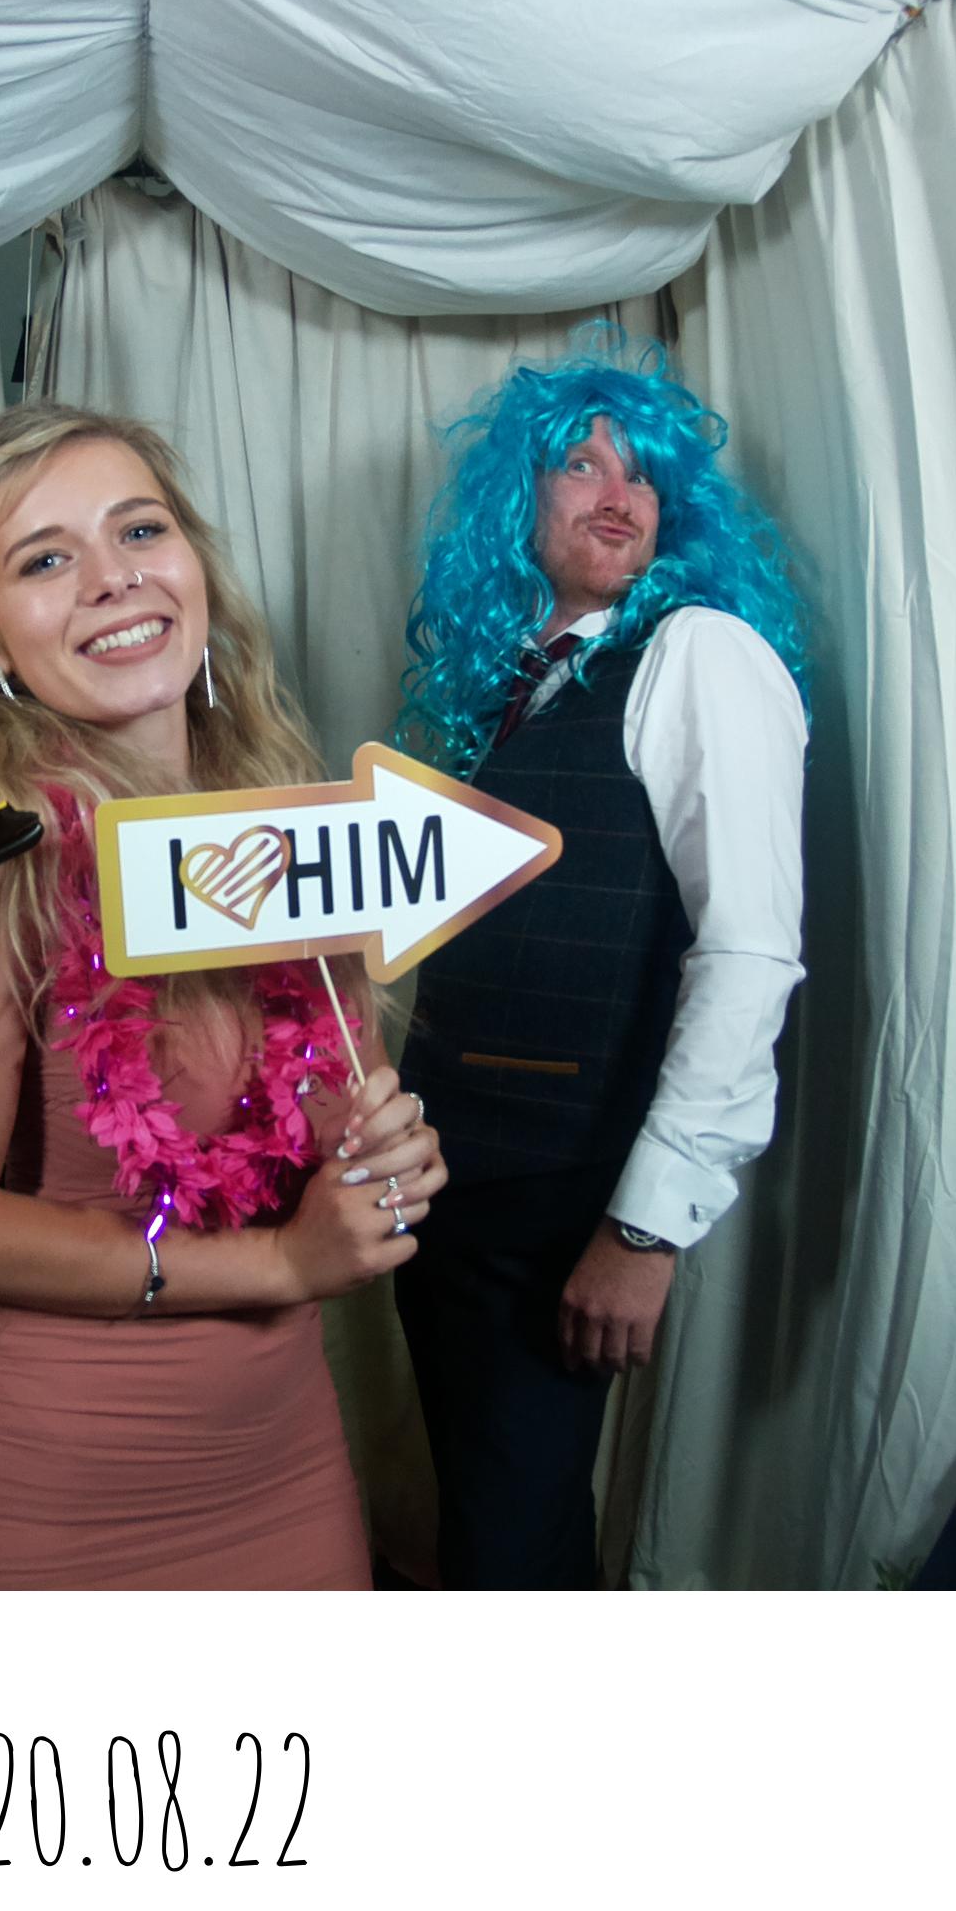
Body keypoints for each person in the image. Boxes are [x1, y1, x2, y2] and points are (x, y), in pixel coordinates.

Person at [0, 403, 444, 1588]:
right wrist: (280, 1268)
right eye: (45, 560)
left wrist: (383, 1159)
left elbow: (332, 1119)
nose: (112, 578)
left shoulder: (285, 829)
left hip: (286, 1461)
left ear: (194, 565)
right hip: (55, 1497)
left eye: (140, 531)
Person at [391, 333, 810, 1589]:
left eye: (644, 474)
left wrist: (645, 1230)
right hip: (456, 1184)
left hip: (564, 1194)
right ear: (517, 499)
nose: (619, 494)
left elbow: (749, 952)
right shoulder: (514, 684)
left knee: (511, 1551)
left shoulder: (699, 652)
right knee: (494, 1525)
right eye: (581, 465)